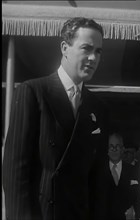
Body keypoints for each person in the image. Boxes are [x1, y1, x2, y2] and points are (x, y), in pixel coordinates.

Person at [2, 17, 109, 220]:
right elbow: (15, 174)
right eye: (86, 48)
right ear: (64, 47)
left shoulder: (99, 108)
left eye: (98, 51)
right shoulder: (33, 92)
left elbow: (99, 182)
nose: (93, 58)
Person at [93, 131, 139, 220]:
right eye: (111, 146)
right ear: (107, 150)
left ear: (122, 149)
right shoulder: (97, 172)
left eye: (117, 146)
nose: (114, 149)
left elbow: (137, 197)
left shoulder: (133, 171)